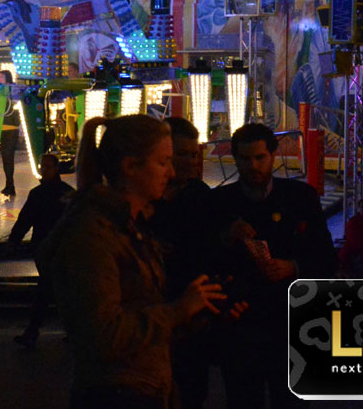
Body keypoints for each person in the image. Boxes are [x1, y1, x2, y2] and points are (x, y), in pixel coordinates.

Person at [48, 115, 231, 409]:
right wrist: (177, 311)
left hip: (147, 387)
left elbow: (142, 308)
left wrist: (194, 315)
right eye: (162, 162)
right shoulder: (93, 235)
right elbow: (103, 335)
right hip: (116, 394)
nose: (171, 173)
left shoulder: (132, 226)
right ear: (130, 166)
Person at [209, 123, 336, 409]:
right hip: (241, 325)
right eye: (244, 159)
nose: (252, 166)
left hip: (288, 323)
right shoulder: (219, 202)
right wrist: (226, 237)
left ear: (273, 156)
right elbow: (203, 258)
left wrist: (293, 267)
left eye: (259, 158)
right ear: (235, 158)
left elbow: (326, 258)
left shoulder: (300, 198)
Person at [149, 117, 218, 409]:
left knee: (190, 393)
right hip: (149, 316)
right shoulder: (142, 201)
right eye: (183, 154)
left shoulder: (202, 198)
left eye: (194, 154)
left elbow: (212, 258)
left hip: (191, 318)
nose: (191, 161)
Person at [11, 153, 76, 348]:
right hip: (53, 248)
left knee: (46, 289)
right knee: (57, 289)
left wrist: (15, 240)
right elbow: (25, 219)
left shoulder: (41, 194)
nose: (44, 170)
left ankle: (33, 330)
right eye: (43, 167)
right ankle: (71, 331)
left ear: (56, 168)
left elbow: (25, 219)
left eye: (47, 167)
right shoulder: (65, 194)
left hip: (49, 248)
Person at [0, 73, 22, 198]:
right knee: (6, 158)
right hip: (1, 129)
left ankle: (10, 185)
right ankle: (9, 185)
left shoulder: (12, 92)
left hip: (10, 129)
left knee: (8, 157)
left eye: (1, 77)